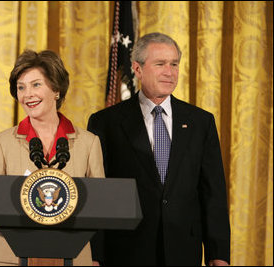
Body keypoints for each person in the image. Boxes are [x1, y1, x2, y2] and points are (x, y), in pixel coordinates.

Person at [87, 32, 230, 266]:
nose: (169, 72)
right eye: (160, 64)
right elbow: (98, 193)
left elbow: (212, 193)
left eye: (174, 64)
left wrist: (219, 254)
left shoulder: (200, 122)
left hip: (183, 250)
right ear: (138, 68)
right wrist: (95, 256)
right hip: (126, 250)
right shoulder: (106, 122)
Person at [0, 49, 105, 266]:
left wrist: (96, 257)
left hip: (74, 256)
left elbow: (99, 207)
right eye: (21, 87)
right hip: (12, 258)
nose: (27, 94)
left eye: (36, 85)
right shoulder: (2, 142)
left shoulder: (89, 143)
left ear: (56, 90)